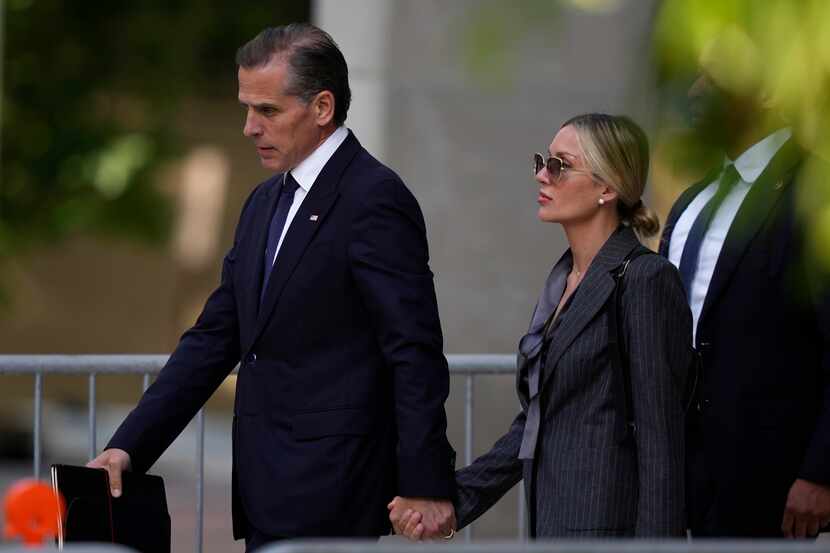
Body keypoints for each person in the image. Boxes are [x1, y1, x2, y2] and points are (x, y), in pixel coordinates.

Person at [87, 23, 456, 551]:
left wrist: (424, 482)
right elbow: (214, 337)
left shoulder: (374, 197)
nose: (248, 127)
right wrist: (128, 448)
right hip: (264, 487)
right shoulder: (263, 202)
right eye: (246, 108)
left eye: (268, 111)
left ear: (322, 107)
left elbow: (414, 349)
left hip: (332, 487)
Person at [390, 113, 693, 538]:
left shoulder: (644, 279)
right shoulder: (564, 280)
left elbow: (661, 439)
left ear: (608, 187)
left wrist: (655, 551)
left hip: (610, 532)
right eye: (542, 161)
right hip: (553, 525)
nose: (541, 177)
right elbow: (537, 422)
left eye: (560, 166)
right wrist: (454, 500)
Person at [661, 70, 830, 538]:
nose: (695, 91)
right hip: (685, 487)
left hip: (777, 491)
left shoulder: (816, 191)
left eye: (716, 78)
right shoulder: (693, 199)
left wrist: (821, 472)